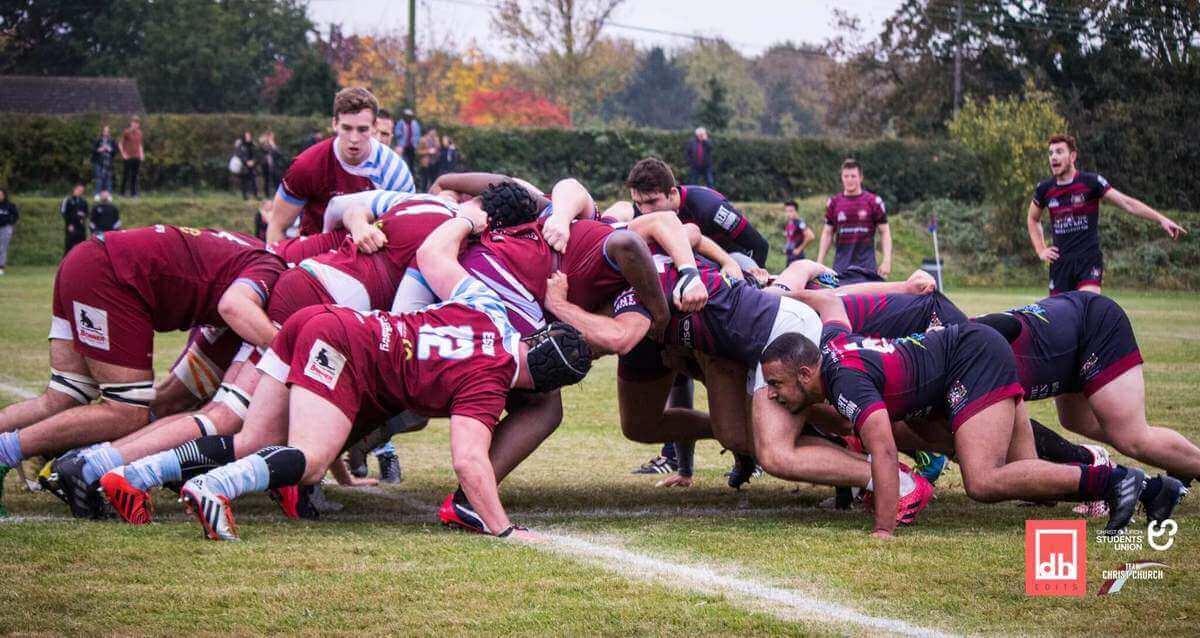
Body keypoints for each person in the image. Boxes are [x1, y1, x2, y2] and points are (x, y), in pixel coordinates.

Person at [173, 208, 593, 542]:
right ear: (544, 382)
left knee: (253, 438)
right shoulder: (490, 381)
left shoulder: (490, 309)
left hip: (329, 317)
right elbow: (468, 461)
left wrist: (464, 219)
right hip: (348, 345)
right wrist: (503, 528)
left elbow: (431, 256)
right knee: (310, 458)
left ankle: (128, 472)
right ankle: (214, 485)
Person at [758, 290, 1154, 537]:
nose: (771, 395)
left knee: (983, 481)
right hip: (966, 353)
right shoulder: (830, 344)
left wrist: (883, 530)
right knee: (1027, 476)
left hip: (972, 357)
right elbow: (830, 302)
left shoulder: (846, 383)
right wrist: (780, 294)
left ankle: (1114, 481)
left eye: (775, 384)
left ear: (806, 373)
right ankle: (1149, 489)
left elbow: (884, 452)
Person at [0, 225, 285, 518]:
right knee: (126, 410)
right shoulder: (272, 268)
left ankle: (71, 457)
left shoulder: (251, 252)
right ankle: (11, 452)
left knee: (63, 396)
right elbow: (234, 306)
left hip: (89, 260)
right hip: (111, 275)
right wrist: (288, 348)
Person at [974, 292, 1197, 513]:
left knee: (1132, 437)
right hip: (1064, 339)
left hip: (1092, 325)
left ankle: (1189, 463)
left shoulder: (971, 365)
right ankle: (1180, 461)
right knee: (1076, 420)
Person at [1027, 134, 1186, 295]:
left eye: (1059, 152)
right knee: (1061, 316)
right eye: (1051, 153)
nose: (1053, 157)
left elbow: (1128, 204)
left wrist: (1161, 219)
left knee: (1087, 305)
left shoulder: (1091, 183)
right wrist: (1041, 249)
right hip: (1060, 264)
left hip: (1088, 261)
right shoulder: (1045, 189)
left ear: (1073, 156)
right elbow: (1033, 218)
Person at [266, 87, 414, 243]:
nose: (354, 138)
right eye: (347, 128)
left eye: (362, 129)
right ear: (335, 124)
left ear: (375, 126)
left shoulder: (395, 171)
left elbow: (406, 235)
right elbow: (277, 227)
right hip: (313, 256)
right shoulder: (307, 166)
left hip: (371, 258)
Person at [817, 159, 892, 278]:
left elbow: (885, 231)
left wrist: (887, 260)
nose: (849, 180)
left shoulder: (874, 201)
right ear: (841, 177)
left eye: (853, 176)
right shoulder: (834, 202)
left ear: (861, 177)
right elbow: (827, 233)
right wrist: (819, 262)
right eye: (846, 176)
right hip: (841, 270)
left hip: (867, 269)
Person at [60, 184, 89, 256]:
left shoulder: (83, 201)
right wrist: (69, 223)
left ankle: (81, 263)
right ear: (75, 189)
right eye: (79, 190)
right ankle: (66, 263)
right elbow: (63, 212)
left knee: (82, 245)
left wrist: (83, 216)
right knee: (69, 245)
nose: (80, 192)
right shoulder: (68, 200)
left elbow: (87, 212)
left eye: (82, 191)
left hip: (81, 227)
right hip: (71, 226)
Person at [119, 116, 144, 197]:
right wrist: (123, 154)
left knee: (134, 176)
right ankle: (122, 193)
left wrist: (142, 154)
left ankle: (133, 193)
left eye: (137, 123)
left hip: (137, 157)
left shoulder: (140, 133)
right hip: (128, 157)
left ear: (138, 125)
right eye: (134, 123)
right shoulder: (126, 132)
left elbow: (140, 145)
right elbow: (120, 144)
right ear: (131, 123)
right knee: (125, 175)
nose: (135, 125)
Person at [91, 126, 116, 197]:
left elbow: (115, 151)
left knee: (109, 179)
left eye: (107, 131)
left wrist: (110, 149)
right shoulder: (98, 140)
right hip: (99, 162)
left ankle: (109, 195)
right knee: (99, 178)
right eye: (105, 131)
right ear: (102, 132)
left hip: (108, 163)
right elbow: (93, 150)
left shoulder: (112, 140)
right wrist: (100, 149)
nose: (106, 133)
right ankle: (97, 194)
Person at [394, 108, 421, 172]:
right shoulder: (400, 123)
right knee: (403, 162)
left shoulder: (415, 124)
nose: (408, 117)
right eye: (406, 116)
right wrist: (402, 132)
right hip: (403, 146)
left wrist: (417, 143)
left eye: (409, 116)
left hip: (412, 146)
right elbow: (397, 133)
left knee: (411, 163)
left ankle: (411, 175)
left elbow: (418, 134)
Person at [235, 132, 259, 200]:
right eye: (247, 136)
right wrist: (246, 162)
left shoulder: (253, 145)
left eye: (249, 136)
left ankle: (256, 195)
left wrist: (253, 161)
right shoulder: (241, 145)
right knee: (244, 181)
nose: (248, 137)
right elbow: (239, 154)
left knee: (254, 180)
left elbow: (256, 154)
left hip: (253, 165)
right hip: (244, 166)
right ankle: (245, 196)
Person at [258, 131, 282, 196]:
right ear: (268, 137)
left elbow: (279, 154)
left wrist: (273, 145)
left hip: (275, 165)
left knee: (276, 179)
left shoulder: (273, 145)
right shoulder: (263, 145)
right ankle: (267, 194)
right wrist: (266, 158)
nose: (272, 138)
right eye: (271, 136)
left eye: (272, 137)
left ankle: (276, 194)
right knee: (267, 180)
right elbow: (260, 155)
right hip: (265, 165)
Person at [0, 189, 17, 274]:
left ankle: (1, 267)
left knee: (3, 248)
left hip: (5, 228)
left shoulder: (9, 205)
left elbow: (15, 215)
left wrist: (10, 222)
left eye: (1, 194)